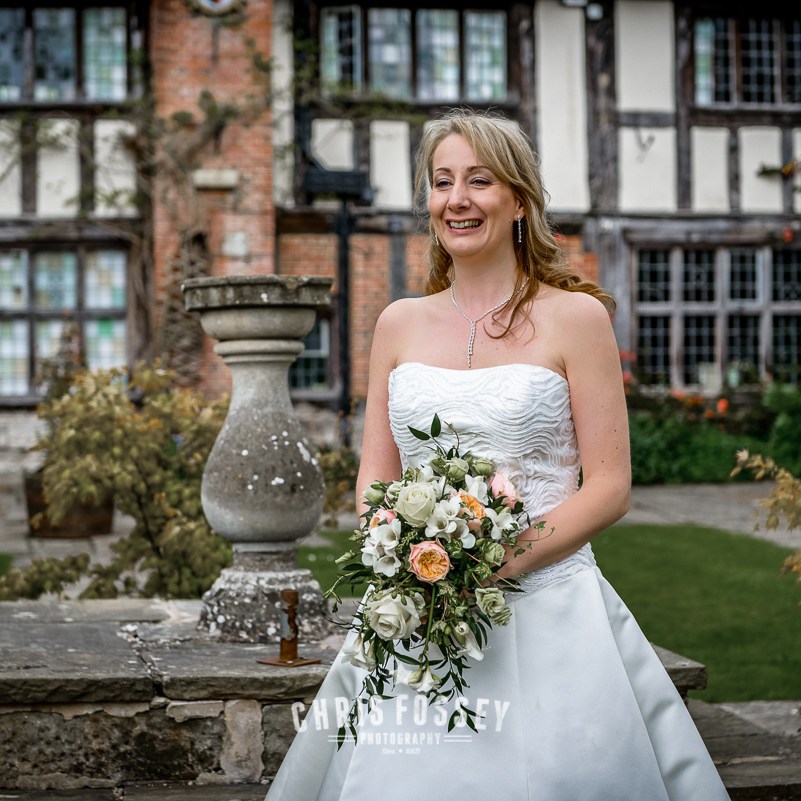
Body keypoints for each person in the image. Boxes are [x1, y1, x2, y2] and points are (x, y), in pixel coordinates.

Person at [264, 108, 731, 801]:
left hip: (548, 603)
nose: (457, 199)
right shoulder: (397, 323)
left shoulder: (576, 318)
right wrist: (399, 552)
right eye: (441, 181)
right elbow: (376, 472)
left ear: (517, 198)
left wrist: (492, 562)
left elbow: (609, 486)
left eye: (479, 180)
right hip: (417, 603)